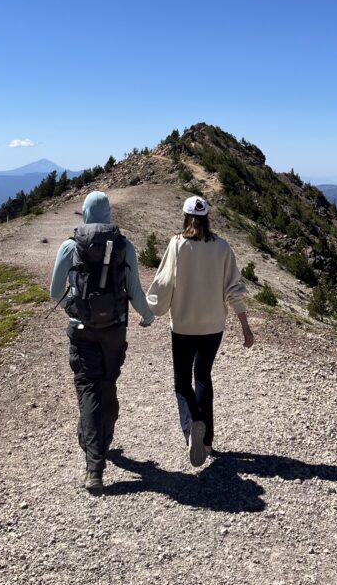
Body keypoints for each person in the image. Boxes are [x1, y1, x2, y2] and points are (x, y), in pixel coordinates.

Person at [50, 190, 154, 494]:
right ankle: (102, 439)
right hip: (115, 330)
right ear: (108, 214)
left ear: (83, 213)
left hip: (81, 329)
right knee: (107, 384)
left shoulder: (70, 246)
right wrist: (147, 316)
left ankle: (94, 466)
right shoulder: (124, 246)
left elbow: (55, 292)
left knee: (88, 389)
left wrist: (75, 304)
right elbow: (134, 289)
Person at [147, 195, 254, 467]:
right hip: (213, 326)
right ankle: (206, 441)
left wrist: (151, 312)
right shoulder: (222, 248)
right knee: (203, 376)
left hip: (183, 325)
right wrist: (245, 326)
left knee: (182, 382)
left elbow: (163, 282)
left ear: (185, 217)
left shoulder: (177, 245)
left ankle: (193, 425)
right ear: (208, 218)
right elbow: (234, 290)